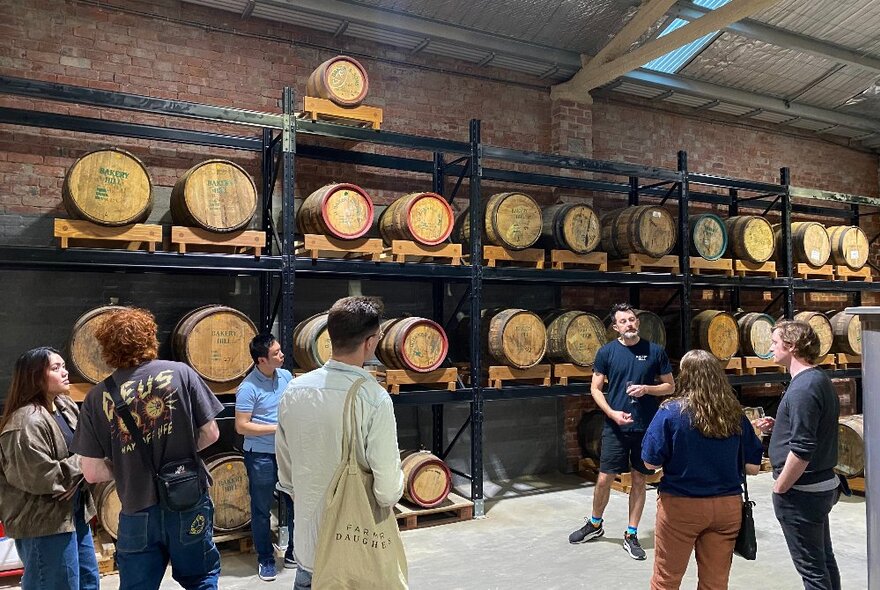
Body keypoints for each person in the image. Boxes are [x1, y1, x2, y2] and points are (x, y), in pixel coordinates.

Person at [71, 307, 224, 590]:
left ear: (106, 348)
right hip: (186, 501)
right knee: (201, 580)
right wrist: (182, 454)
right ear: (150, 338)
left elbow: (91, 473)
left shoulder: (96, 397)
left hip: (136, 511)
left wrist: (130, 468)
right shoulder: (181, 374)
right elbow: (211, 433)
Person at [276, 297, 405, 590]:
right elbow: (386, 492)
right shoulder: (372, 397)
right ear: (370, 342)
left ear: (331, 336)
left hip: (308, 553)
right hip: (352, 554)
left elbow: (286, 475)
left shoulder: (294, 390)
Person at [641, 349, 763, 589]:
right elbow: (753, 468)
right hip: (727, 507)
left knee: (666, 579)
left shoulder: (671, 412)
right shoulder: (734, 413)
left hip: (682, 505)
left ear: (684, 375)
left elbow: (650, 463)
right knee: (715, 583)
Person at [568, 302, 675, 560]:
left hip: (646, 427)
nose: (630, 324)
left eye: (632, 319)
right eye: (623, 321)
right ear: (615, 327)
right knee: (604, 477)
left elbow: (670, 387)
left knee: (639, 479)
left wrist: (647, 389)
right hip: (615, 427)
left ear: (637, 321)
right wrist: (612, 413)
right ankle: (595, 524)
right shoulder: (606, 352)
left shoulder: (655, 351)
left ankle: (631, 533)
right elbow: (595, 389)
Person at [0, 347, 99, 590]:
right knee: (56, 585)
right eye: (56, 368)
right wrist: (84, 465)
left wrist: (76, 473)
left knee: (87, 582)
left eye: (63, 366)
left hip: (74, 513)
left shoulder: (64, 407)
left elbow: (92, 445)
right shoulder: (25, 423)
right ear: (35, 377)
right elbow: (42, 477)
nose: (65, 372)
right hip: (44, 522)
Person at [757, 319, 843, 590]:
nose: (770, 348)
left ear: (791, 346)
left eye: (774, 342)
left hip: (802, 491)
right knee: (823, 562)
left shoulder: (804, 388)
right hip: (818, 486)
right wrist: (779, 426)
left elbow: (803, 450)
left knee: (812, 571)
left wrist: (780, 488)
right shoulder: (816, 379)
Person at [235, 332, 295, 581]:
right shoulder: (248, 388)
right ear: (261, 360)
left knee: (294, 503)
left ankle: (293, 552)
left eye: (280, 351)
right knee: (261, 509)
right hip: (260, 455)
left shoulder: (286, 376)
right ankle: (266, 559)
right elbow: (241, 426)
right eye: (276, 353)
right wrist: (277, 428)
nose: (282, 355)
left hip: (287, 452)